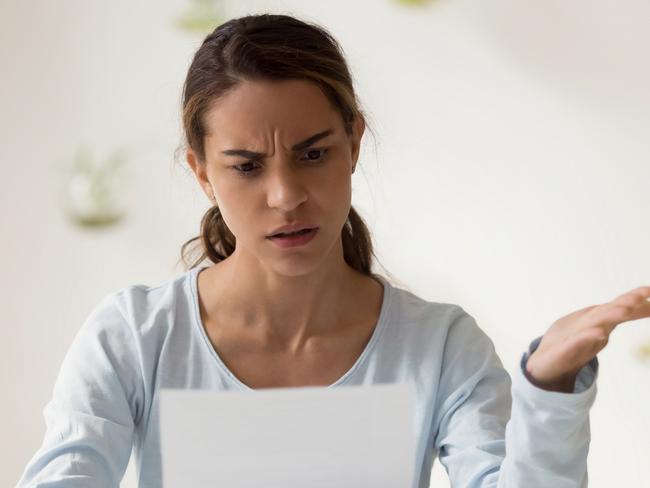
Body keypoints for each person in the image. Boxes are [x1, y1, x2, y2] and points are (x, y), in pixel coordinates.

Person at [16, 13, 650, 488]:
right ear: (202, 173)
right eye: (246, 166)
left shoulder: (441, 346)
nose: (286, 195)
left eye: (312, 153)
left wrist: (551, 384)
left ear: (353, 142)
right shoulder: (133, 337)